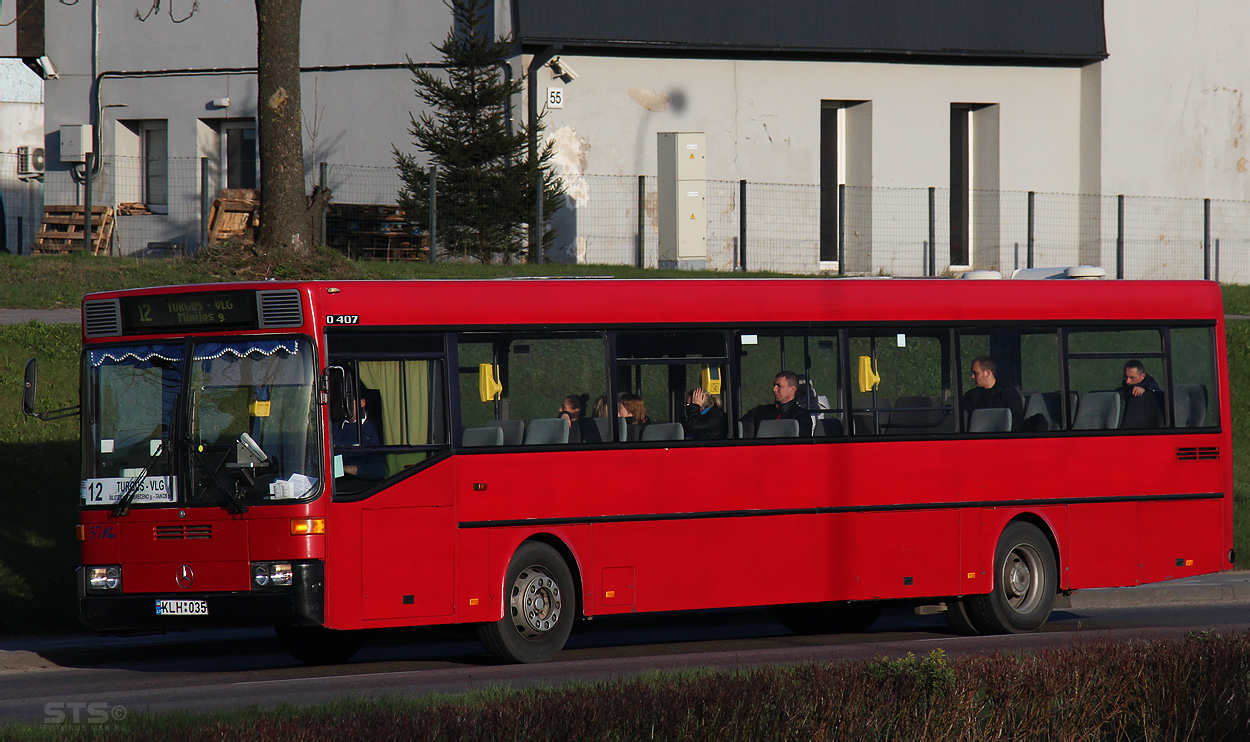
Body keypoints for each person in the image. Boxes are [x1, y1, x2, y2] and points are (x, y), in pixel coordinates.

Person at [740, 371, 812, 437]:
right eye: (774, 385)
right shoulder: (759, 411)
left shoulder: (801, 416)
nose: (774, 389)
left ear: (792, 389)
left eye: (779, 386)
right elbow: (740, 427)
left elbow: (802, 444)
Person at [332, 386, 383, 479]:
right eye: (341, 401)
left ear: (362, 402)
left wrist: (346, 469)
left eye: (348, 401)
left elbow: (380, 469)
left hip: (361, 488)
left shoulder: (375, 429)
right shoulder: (334, 427)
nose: (343, 405)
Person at [962, 356, 1025, 431]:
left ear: (988, 373)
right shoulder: (971, 396)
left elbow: (1016, 423)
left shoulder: (1008, 394)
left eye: (976, 373)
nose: (972, 377)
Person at [1120, 359, 1164, 428]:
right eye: (1125, 377)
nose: (1127, 381)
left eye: (1132, 378)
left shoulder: (1154, 394)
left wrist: (1145, 392)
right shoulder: (1121, 391)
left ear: (1142, 376)